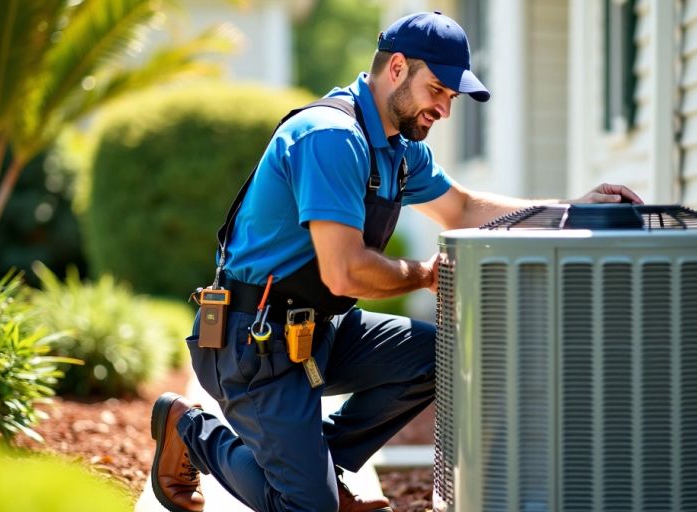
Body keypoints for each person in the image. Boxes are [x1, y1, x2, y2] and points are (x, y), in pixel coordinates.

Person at [149, 10, 642, 512]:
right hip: (251, 342)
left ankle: (319, 469)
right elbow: (344, 270)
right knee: (306, 508)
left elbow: (465, 207)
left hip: (316, 333)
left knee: (439, 355)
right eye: (438, 91)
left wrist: (571, 209)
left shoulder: (398, 149)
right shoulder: (331, 136)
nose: (444, 109)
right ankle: (189, 430)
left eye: (451, 98)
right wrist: (423, 275)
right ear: (398, 67)